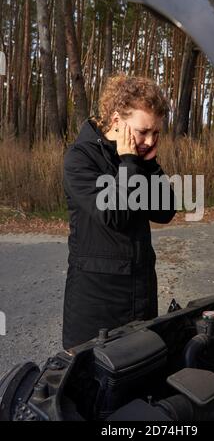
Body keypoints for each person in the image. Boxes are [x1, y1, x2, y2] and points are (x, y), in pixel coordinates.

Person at [62, 74, 177, 350]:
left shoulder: (138, 159)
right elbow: (115, 214)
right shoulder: (80, 158)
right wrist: (129, 161)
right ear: (116, 121)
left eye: (156, 132)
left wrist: (149, 165)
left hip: (141, 293)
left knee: (142, 375)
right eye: (143, 131)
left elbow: (164, 211)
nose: (150, 141)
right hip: (96, 304)